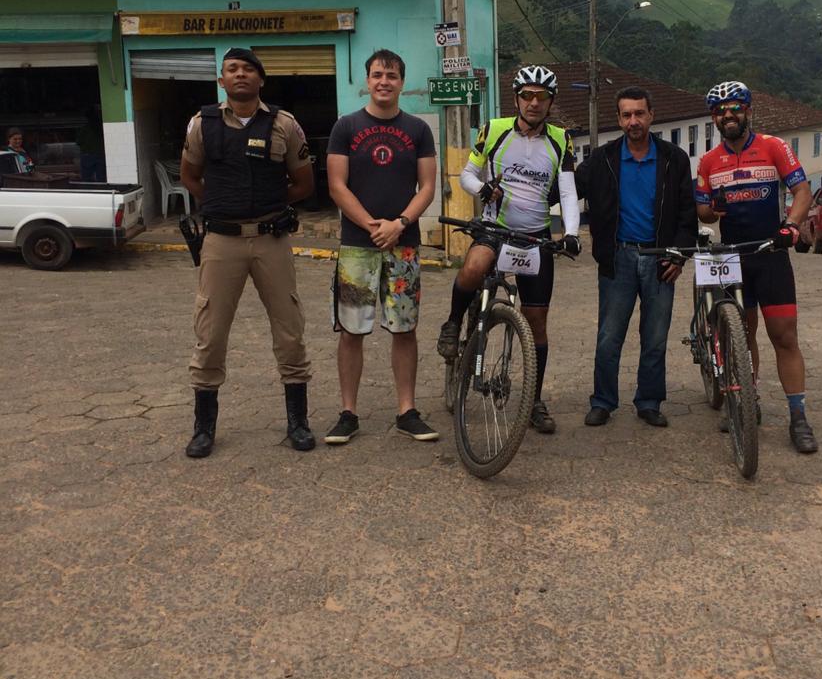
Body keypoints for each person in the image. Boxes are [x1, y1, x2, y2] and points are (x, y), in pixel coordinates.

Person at [179, 47, 316, 459]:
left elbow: (304, 183)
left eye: (248, 69)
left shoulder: (284, 125)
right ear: (221, 80)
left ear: (261, 79)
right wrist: (225, 203)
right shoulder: (202, 124)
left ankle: (298, 422)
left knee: (289, 329)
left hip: (272, 239)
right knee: (210, 332)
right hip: (221, 242)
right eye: (232, 69)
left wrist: (267, 204)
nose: (240, 74)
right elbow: (190, 176)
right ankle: (204, 428)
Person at [436, 65, 581, 434]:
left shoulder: (561, 139)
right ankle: (453, 322)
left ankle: (534, 401)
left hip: (535, 236)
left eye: (542, 97)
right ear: (516, 98)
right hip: (495, 229)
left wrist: (571, 233)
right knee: (474, 266)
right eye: (527, 95)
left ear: (551, 102)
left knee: (537, 322)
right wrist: (482, 189)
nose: (534, 103)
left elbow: (567, 192)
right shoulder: (494, 129)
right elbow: (467, 175)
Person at [695, 80, 818, 454]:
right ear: (714, 119)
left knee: (784, 336)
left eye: (735, 108)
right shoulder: (708, 161)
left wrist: (791, 226)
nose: (728, 115)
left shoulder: (773, 146)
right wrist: (711, 210)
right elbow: (703, 211)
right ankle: (750, 403)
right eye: (720, 111)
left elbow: (802, 191)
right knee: (742, 335)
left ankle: (798, 416)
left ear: (748, 111)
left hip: (771, 254)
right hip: (732, 257)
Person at [325, 49, 438, 444]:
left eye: (391, 75)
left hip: (403, 246)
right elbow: (336, 185)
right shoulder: (346, 126)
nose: (384, 82)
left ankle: (407, 411)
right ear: (367, 80)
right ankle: (348, 413)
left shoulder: (418, 130)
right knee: (351, 330)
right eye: (377, 75)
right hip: (357, 247)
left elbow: (428, 186)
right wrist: (372, 226)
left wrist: (400, 224)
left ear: (402, 82)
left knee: (405, 329)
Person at [576, 86, 697, 429]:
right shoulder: (603, 159)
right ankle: (603, 402)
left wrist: (679, 255)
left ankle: (649, 402)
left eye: (639, 113)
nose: (634, 121)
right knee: (609, 337)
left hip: (661, 260)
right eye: (627, 115)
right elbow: (567, 189)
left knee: (655, 338)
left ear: (651, 115)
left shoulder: (674, 159)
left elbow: (687, 214)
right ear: (618, 119)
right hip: (619, 258)